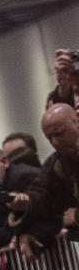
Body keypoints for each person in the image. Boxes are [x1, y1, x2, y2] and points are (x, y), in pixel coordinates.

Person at [17, 102, 78, 252]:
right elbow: (40, 193)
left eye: (59, 133)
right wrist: (24, 203)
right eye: (49, 138)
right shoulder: (56, 162)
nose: (55, 142)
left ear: (76, 121)